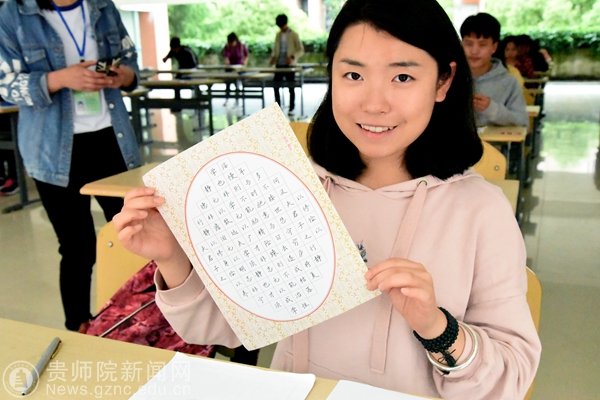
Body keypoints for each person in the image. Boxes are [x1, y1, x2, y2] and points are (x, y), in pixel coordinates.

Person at [114, 0, 541, 398]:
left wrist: (438, 328)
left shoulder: (482, 212)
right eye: (353, 75)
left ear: (443, 81)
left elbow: (510, 379)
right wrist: (172, 257)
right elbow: (221, 329)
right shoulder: (292, 187)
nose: (374, 104)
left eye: (403, 77)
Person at [0, 0, 142, 332]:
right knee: (78, 248)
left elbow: (131, 61)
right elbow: (5, 85)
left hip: (112, 140)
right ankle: (79, 329)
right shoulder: (13, 14)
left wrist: (125, 76)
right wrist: (60, 78)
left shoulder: (102, 6)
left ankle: (140, 319)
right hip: (52, 149)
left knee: (135, 235)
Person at [461, 13, 529, 128]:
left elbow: (522, 121)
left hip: (495, 140)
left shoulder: (509, 82)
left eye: (482, 45)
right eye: (469, 44)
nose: (474, 51)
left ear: (494, 47)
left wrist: (492, 109)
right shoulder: (449, 79)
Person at [269, 14, 304, 116]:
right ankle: (278, 107)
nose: (281, 28)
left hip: (290, 65)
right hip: (279, 64)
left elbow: (300, 50)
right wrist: (273, 57)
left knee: (291, 86)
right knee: (276, 85)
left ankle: (291, 108)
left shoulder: (294, 35)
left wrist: (292, 57)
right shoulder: (278, 35)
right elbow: (276, 48)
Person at [221, 32, 249, 106]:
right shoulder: (227, 46)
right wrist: (227, 60)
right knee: (228, 83)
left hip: (239, 67)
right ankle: (227, 99)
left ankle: (237, 100)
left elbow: (246, 55)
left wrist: (245, 62)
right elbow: (226, 56)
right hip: (230, 67)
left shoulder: (241, 45)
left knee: (237, 83)